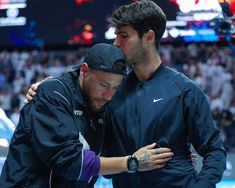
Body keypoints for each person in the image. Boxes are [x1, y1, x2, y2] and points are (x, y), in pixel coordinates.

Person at [25, 0, 226, 187]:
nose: (116, 43)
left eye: (124, 35)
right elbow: (80, 81)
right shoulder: (112, 90)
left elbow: (214, 151)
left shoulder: (184, 91)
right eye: (116, 35)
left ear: (148, 37)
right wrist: (47, 87)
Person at [0, 43, 174, 188]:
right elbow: (69, 161)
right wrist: (132, 163)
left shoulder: (103, 103)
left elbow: (119, 145)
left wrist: (171, 152)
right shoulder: (54, 93)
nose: (108, 95)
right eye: (104, 85)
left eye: (115, 88)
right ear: (84, 71)